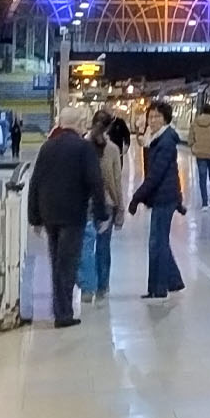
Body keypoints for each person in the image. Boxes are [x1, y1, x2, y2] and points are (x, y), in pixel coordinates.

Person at [27, 106, 108, 328]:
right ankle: (63, 314)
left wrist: (34, 217)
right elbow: (95, 182)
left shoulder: (47, 147)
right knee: (68, 264)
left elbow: (36, 182)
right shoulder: (84, 148)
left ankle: (60, 309)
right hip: (73, 215)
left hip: (49, 213)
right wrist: (101, 214)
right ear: (80, 123)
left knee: (56, 262)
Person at [128, 102, 186, 300]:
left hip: (163, 197)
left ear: (166, 119)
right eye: (150, 116)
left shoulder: (166, 141)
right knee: (160, 240)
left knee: (157, 242)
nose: (152, 120)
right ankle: (173, 280)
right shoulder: (157, 139)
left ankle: (158, 288)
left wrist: (137, 197)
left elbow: (156, 175)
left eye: (157, 117)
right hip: (165, 196)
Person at [78, 110, 124, 303]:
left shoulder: (80, 146)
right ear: (109, 128)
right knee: (104, 247)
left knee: (86, 246)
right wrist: (120, 208)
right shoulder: (113, 149)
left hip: (85, 203)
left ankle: (88, 286)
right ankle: (102, 287)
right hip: (107, 205)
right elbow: (116, 180)